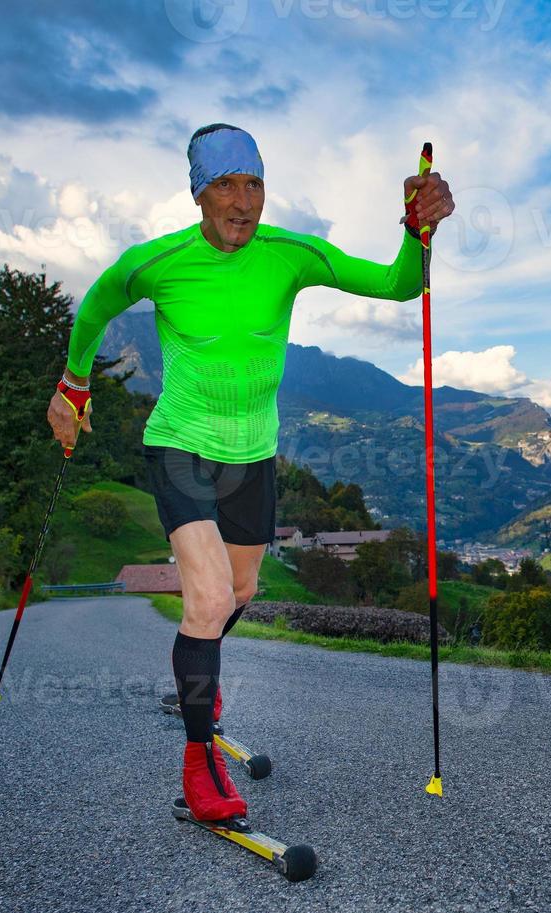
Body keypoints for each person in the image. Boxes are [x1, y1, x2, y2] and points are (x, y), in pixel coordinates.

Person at [46, 124, 452, 822]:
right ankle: (197, 759)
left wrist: (417, 231)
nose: (243, 201)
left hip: (252, 457)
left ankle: (198, 674)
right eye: (226, 184)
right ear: (199, 192)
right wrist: (73, 385)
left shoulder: (290, 255)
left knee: (239, 590)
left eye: (254, 183)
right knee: (205, 602)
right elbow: (94, 309)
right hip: (180, 445)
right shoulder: (155, 262)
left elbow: (397, 285)